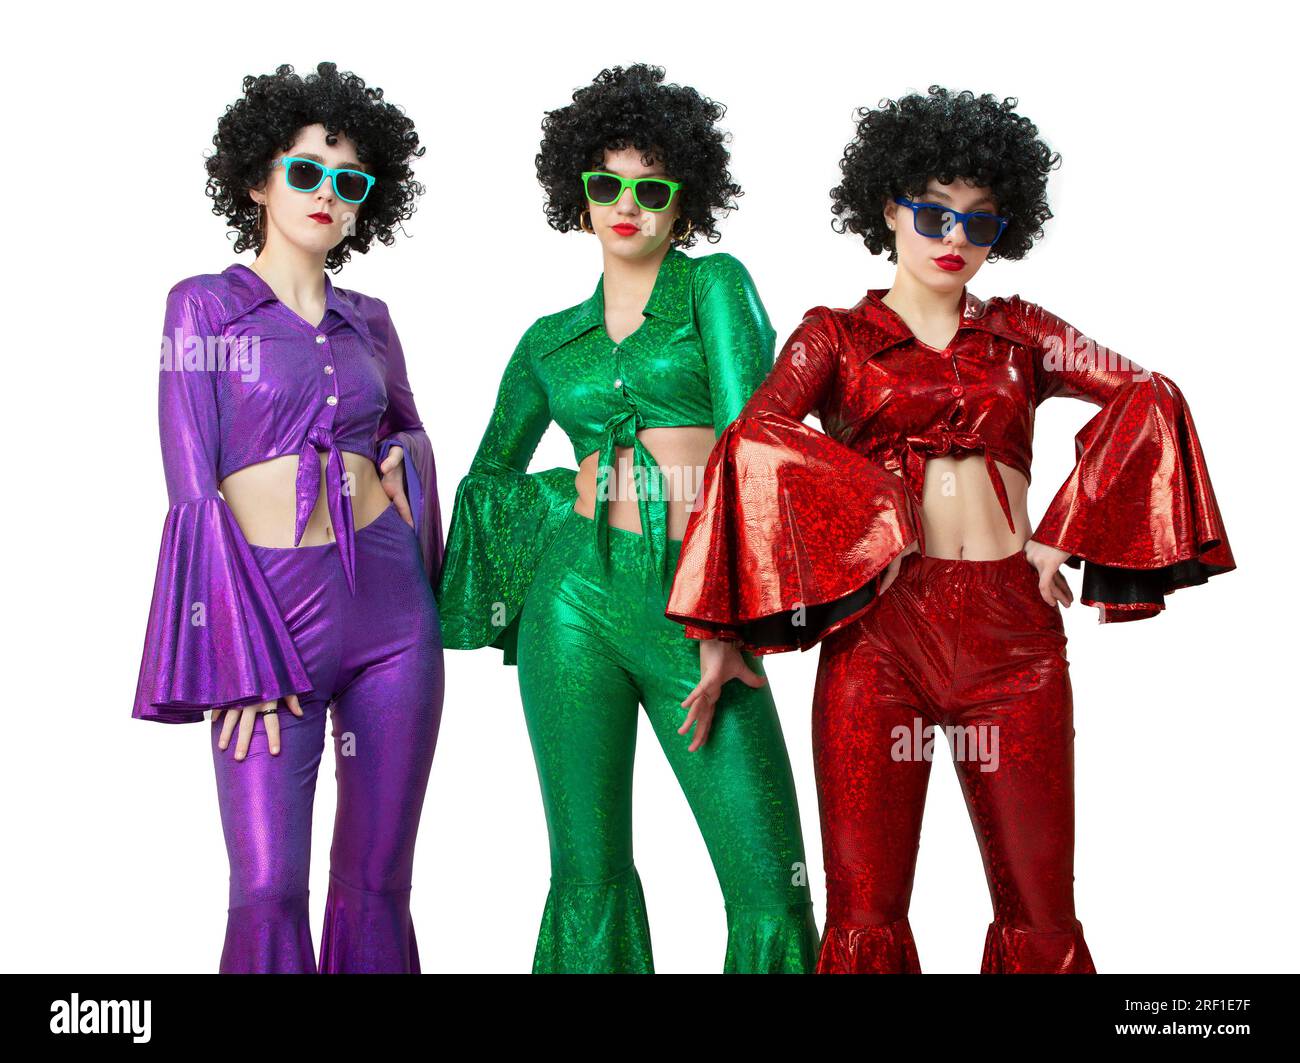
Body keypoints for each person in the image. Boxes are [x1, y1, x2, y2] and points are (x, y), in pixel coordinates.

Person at [666, 85, 1235, 973]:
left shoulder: (1022, 332)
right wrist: (744, 616)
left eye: (980, 223)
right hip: (879, 636)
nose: (954, 239)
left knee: (1042, 910)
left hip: (1014, 633)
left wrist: (1062, 531)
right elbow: (754, 445)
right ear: (888, 208)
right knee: (866, 910)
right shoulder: (835, 337)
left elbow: (1147, 393)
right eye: (933, 213)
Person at [436, 64, 818, 973]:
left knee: (772, 881)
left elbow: (750, 446)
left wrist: (731, 622)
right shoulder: (545, 342)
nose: (627, 205)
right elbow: (488, 478)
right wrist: (566, 499)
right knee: (587, 869)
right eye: (605, 185)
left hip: (696, 599)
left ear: (683, 205)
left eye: (652, 189)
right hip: (571, 604)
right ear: (579, 198)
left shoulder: (715, 288)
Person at [132, 62, 443, 973]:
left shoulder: (373, 318)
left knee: (379, 880)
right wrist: (234, 648)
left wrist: (402, 463)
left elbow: (413, 436)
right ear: (258, 180)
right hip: (267, 614)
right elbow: (190, 489)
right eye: (304, 171)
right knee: (268, 886)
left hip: (389, 612)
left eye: (349, 181)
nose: (325, 193)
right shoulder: (201, 306)